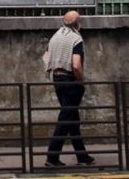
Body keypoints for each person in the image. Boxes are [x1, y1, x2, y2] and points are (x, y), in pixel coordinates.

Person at [44, 11, 95, 167]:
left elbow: (46, 56)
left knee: (72, 117)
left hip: (57, 78)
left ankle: (82, 156)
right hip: (70, 80)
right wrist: (81, 80)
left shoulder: (55, 36)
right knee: (66, 117)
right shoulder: (76, 39)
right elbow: (76, 64)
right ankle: (52, 157)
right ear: (77, 23)